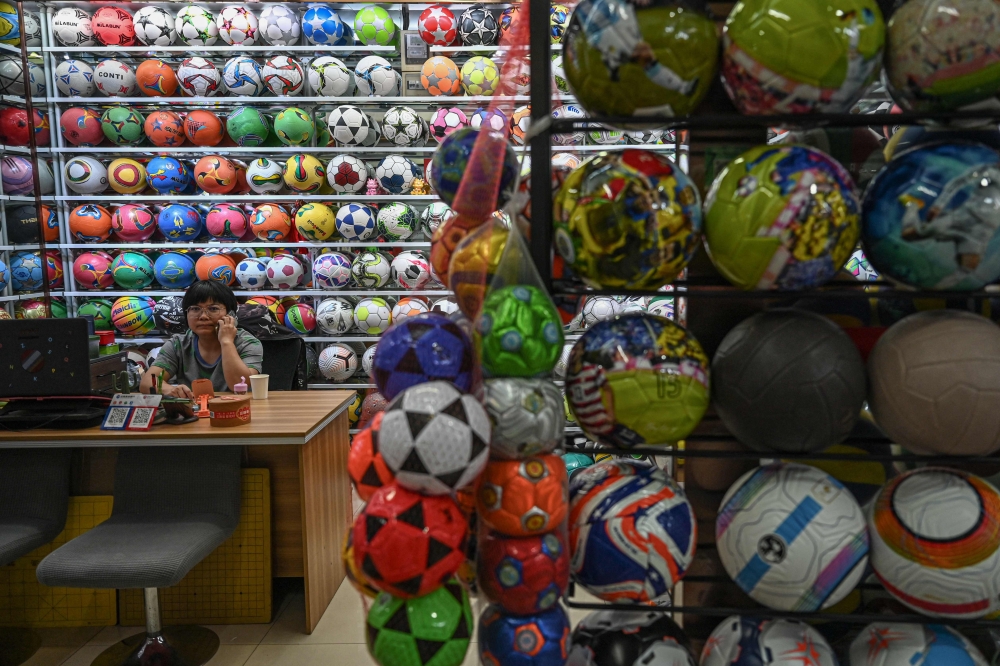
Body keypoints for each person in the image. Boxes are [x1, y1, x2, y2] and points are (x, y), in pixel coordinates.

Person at [141, 281, 263, 398]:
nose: (203, 316)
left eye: (213, 309)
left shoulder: (247, 342)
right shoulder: (178, 344)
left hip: (237, 411)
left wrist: (226, 342)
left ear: (231, 315)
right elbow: (147, 383)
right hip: (194, 413)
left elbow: (241, 385)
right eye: (195, 309)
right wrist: (171, 390)